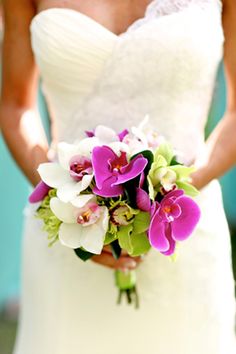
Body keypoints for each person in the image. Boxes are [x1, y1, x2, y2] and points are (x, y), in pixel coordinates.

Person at [1, 0, 236, 353]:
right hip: (68, 234)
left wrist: (162, 198)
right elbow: (15, 104)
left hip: (182, 237)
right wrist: (63, 195)